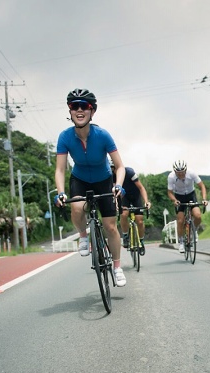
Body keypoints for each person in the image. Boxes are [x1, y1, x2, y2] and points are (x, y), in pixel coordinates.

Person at [54, 88, 128, 287]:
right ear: (69, 111)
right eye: (74, 106)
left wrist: (118, 186)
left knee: (110, 226)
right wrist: (60, 192)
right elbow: (60, 170)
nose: (79, 110)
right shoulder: (65, 137)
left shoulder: (102, 135)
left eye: (84, 106)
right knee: (77, 207)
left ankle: (117, 266)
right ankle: (84, 236)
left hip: (103, 180)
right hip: (80, 179)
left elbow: (120, 166)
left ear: (92, 111)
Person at [111, 161, 152, 255]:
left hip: (136, 196)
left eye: (115, 167)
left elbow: (141, 188)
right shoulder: (112, 176)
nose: (114, 170)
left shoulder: (129, 172)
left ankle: (141, 241)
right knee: (124, 214)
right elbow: (115, 193)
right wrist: (117, 204)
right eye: (112, 169)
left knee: (140, 220)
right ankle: (125, 236)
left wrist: (146, 201)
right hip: (124, 196)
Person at [166, 160, 207, 253]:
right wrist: (174, 200)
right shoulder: (171, 177)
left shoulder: (191, 173)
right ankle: (181, 242)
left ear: (186, 170)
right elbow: (169, 192)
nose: (180, 175)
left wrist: (204, 199)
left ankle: (194, 231)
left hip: (191, 195)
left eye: (182, 172)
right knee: (180, 221)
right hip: (179, 197)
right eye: (178, 173)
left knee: (198, 216)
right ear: (175, 171)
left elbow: (202, 186)